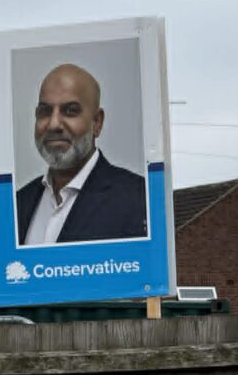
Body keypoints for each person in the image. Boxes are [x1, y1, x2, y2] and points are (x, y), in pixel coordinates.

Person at [16, 63, 147, 245]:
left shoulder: (139, 199)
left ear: (97, 122)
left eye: (70, 111)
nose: (54, 124)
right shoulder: (18, 204)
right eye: (45, 111)